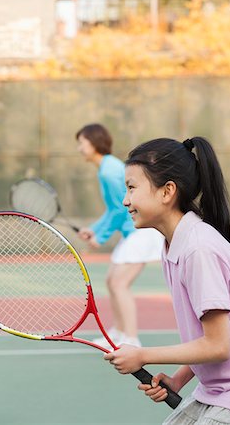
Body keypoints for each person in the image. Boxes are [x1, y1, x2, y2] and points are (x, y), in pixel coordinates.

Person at [104, 137, 230, 424]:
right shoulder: (175, 243)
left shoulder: (198, 248)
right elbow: (210, 337)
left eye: (132, 188)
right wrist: (179, 379)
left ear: (167, 191)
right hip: (216, 390)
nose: (125, 200)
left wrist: (143, 355)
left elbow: (218, 345)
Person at [76, 124, 163, 349]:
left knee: (119, 284)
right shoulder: (107, 167)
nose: (79, 148)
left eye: (82, 143)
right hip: (131, 232)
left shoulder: (108, 170)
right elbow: (113, 209)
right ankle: (118, 332)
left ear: (95, 143)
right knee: (112, 281)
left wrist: (101, 237)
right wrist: (95, 229)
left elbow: (120, 208)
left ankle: (131, 339)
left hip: (140, 232)